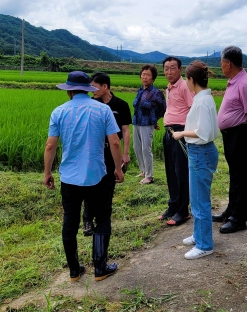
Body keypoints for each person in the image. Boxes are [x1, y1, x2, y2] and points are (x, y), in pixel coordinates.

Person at [43, 71, 124, 282]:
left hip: (69, 177)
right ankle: (100, 267)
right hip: (97, 175)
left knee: (70, 221)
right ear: (89, 89)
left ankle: (74, 271)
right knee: (102, 218)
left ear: (69, 90)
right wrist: (118, 168)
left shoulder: (58, 112)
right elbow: (115, 142)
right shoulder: (103, 109)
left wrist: (47, 172)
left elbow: (50, 145)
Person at [213, 46, 247, 233]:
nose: (221, 67)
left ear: (228, 63)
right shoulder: (234, 81)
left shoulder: (243, 84)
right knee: (234, 175)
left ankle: (239, 218)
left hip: (240, 135)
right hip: (231, 135)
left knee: (242, 177)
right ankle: (231, 211)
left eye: (221, 64)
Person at [172, 61, 219, 259]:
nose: (185, 82)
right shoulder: (203, 98)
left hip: (200, 152)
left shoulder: (202, 101)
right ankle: (199, 235)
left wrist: (181, 133)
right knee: (197, 198)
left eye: (186, 78)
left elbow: (203, 132)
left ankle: (205, 244)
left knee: (200, 201)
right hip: (199, 152)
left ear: (192, 80)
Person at [81, 72, 132, 237]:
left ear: (105, 86)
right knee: (90, 185)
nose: (92, 90)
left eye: (94, 87)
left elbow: (125, 131)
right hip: (94, 151)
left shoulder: (121, 105)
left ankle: (103, 219)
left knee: (109, 184)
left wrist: (125, 153)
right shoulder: (90, 104)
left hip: (112, 151)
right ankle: (87, 219)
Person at [161, 56, 194, 226]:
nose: (169, 71)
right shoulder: (169, 88)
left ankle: (183, 211)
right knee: (171, 172)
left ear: (180, 70)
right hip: (169, 132)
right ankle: (173, 206)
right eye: (166, 68)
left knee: (181, 173)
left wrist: (186, 133)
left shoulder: (184, 87)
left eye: (172, 68)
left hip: (180, 133)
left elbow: (193, 109)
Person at [132, 64, 166, 185]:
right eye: (143, 74)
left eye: (148, 75)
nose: (145, 77)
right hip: (136, 122)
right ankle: (143, 171)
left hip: (147, 124)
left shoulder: (156, 92)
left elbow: (163, 108)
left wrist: (155, 119)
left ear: (153, 78)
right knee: (137, 148)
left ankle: (149, 176)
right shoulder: (140, 90)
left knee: (146, 149)